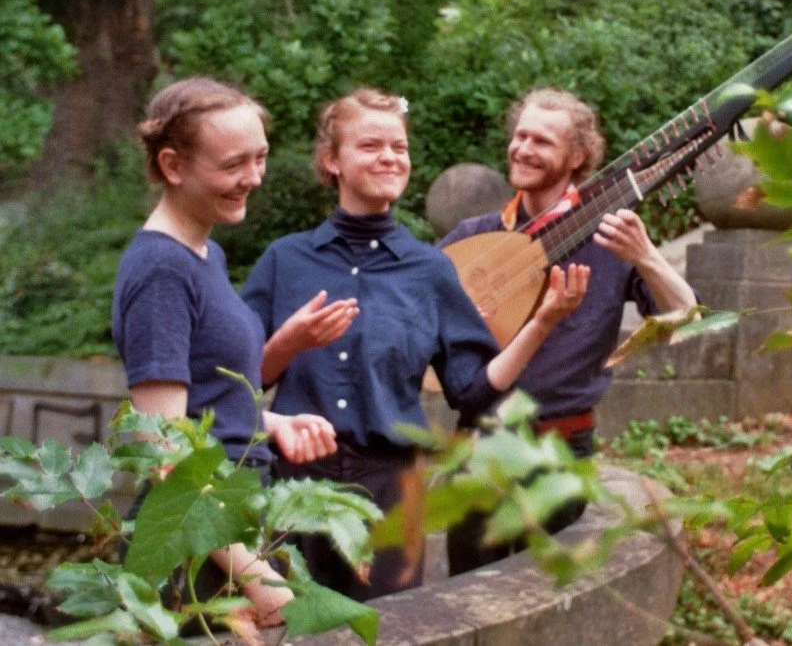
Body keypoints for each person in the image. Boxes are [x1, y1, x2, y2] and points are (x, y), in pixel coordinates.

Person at [241, 87, 589, 600]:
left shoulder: (431, 269)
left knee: (391, 631)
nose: (389, 156)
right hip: (294, 488)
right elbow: (236, 386)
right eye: (370, 145)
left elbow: (471, 391)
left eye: (399, 147)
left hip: (391, 492)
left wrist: (540, 323)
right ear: (331, 160)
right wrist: (288, 344)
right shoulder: (284, 260)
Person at [112, 77, 350, 628]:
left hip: (225, 527)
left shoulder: (204, 254)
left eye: (261, 157)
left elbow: (196, 406)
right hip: (191, 549)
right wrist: (257, 578)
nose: (255, 177)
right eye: (234, 164)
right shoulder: (161, 272)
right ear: (173, 166)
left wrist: (265, 421)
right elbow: (164, 449)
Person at [440, 87, 699, 574]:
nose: (523, 149)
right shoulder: (475, 237)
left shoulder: (612, 238)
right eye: (520, 136)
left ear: (578, 156)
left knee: (551, 595)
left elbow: (684, 319)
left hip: (562, 445)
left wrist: (646, 256)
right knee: (469, 596)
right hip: (480, 444)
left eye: (542, 141)